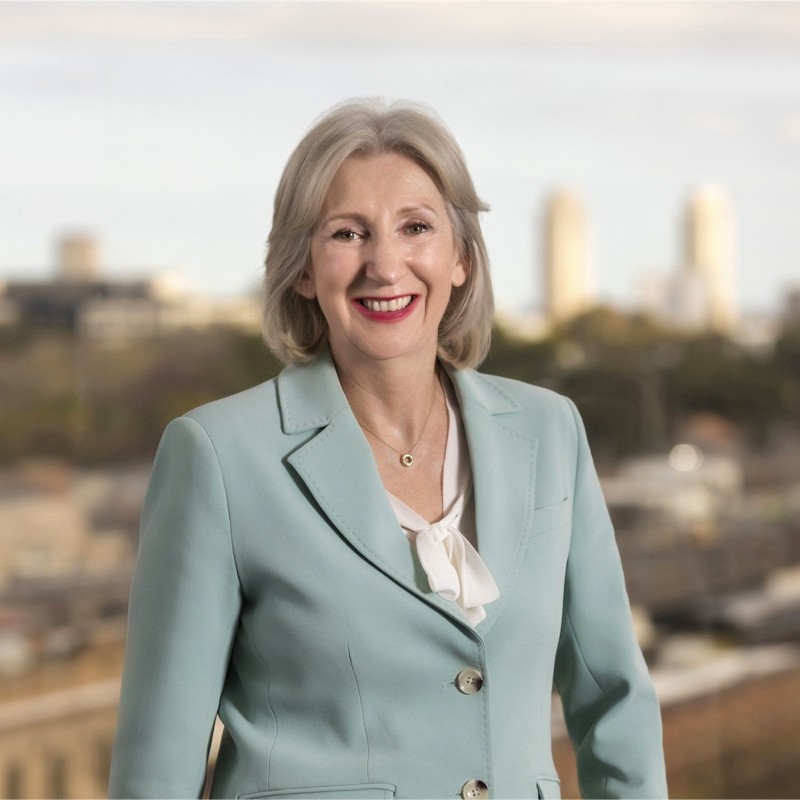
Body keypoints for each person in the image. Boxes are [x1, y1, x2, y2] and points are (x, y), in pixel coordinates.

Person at [109, 98, 667, 800]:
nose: (385, 263)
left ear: (460, 258)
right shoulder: (216, 457)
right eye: (347, 233)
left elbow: (615, 702)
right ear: (303, 269)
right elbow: (158, 765)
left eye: (416, 228)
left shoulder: (551, 432)